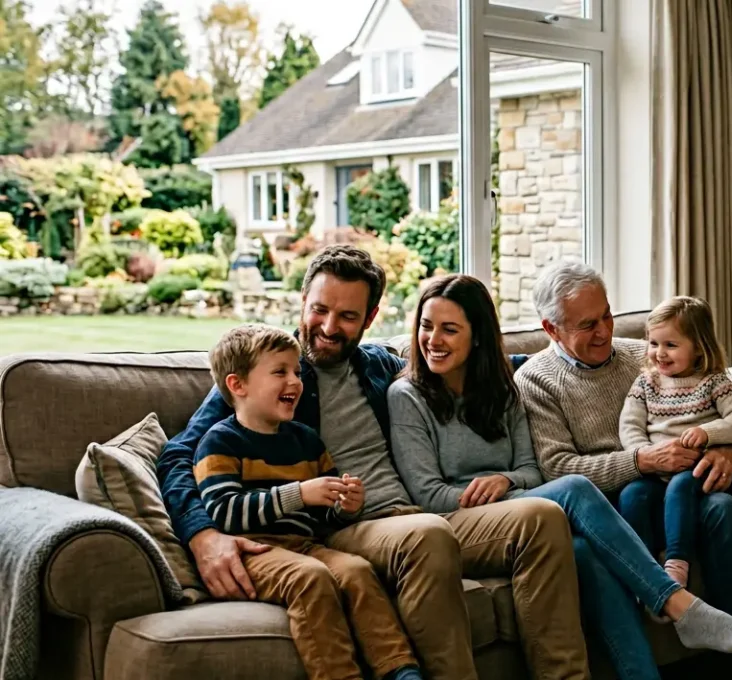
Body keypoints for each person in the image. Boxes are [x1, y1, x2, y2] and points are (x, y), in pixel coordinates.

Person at [158, 244, 590, 680]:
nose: (328, 327)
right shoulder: (270, 375)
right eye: (319, 309)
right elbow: (179, 453)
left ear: (370, 317)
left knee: (542, 515)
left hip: (421, 513)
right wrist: (202, 534)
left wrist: (562, 354)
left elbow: (468, 363)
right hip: (348, 526)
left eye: (348, 317)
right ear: (302, 301)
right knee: (427, 534)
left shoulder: (381, 366)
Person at [388, 274, 732, 680]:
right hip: (459, 519)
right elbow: (428, 496)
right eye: (426, 326)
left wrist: (506, 481)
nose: (433, 339)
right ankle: (675, 602)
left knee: (583, 553)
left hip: (526, 511)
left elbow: (531, 471)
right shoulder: (407, 396)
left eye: (449, 329)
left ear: (478, 336)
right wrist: (495, 492)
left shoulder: (503, 389)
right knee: (574, 487)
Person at [516, 261, 732, 680]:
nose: (604, 331)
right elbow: (557, 470)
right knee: (723, 513)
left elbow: (723, 407)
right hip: (631, 499)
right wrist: (641, 461)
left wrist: (729, 451)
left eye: (606, 315)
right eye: (587, 325)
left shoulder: (646, 353)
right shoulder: (535, 381)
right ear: (551, 329)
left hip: (695, 473)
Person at [194, 323, 422, 680]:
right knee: (311, 578)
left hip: (307, 543)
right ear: (238, 385)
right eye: (280, 372)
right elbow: (225, 511)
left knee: (358, 571)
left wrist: (345, 504)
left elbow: (323, 511)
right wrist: (299, 493)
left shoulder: (306, 440)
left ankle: (401, 671)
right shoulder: (219, 442)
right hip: (253, 550)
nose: (295, 381)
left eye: (297, 371)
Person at [617, 296, 732, 591]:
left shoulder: (713, 381)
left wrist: (708, 433)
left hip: (698, 469)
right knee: (632, 495)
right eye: (654, 343)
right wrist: (645, 455)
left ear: (698, 348)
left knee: (683, 484)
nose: (660, 353)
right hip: (655, 472)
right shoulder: (646, 383)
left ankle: (677, 562)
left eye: (671, 345)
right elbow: (629, 425)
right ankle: (640, 575)